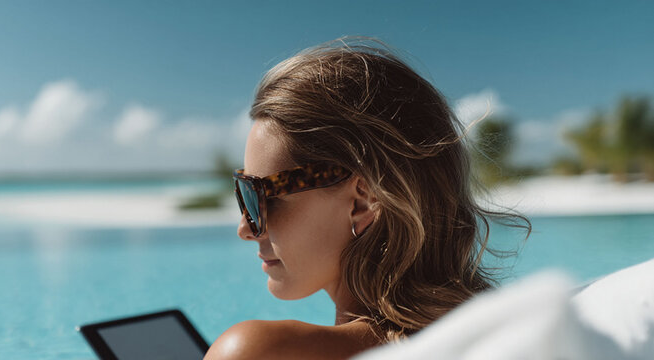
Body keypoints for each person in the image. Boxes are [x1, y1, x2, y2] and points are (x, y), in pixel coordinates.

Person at [204, 38, 530, 359]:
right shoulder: (501, 332)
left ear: (363, 201)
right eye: (243, 191)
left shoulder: (257, 352)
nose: (245, 228)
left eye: (260, 195)